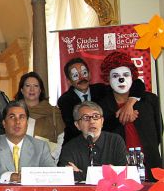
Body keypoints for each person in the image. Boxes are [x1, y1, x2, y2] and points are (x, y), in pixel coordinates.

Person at [98, 52, 162, 181]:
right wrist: (122, 117)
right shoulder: (101, 105)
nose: (121, 79)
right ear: (108, 78)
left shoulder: (150, 100)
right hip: (117, 169)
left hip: (151, 167)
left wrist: (129, 104)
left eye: (126, 75)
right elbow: (101, 134)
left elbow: (159, 131)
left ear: (132, 77)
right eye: (115, 76)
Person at [57, 57, 144, 145]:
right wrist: (122, 116)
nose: (81, 77)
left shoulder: (101, 89)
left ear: (90, 74)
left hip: (103, 145)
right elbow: (76, 128)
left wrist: (129, 105)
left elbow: (137, 83)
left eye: (84, 73)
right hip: (77, 145)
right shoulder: (65, 101)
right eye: (75, 75)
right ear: (69, 81)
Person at [0, 100, 55, 183]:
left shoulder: (41, 147)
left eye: (22, 117)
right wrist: (14, 177)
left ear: (27, 123)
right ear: (4, 123)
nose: (17, 122)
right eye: (12, 117)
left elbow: (52, 173)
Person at [58, 101, 128, 182]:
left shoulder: (115, 141)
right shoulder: (69, 148)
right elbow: (66, 176)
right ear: (77, 125)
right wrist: (105, 173)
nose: (92, 121)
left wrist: (81, 173)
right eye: (86, 118)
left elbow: (123, 173)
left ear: (102, 121)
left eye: (96, 116)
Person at [15, 72, 64, 163]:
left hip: (46, 162)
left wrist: (52, 157)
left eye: (36, 86)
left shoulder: (53, 111)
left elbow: (61, 137)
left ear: (40, 90)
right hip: (17, 162)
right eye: (28, 85)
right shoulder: (14, 112)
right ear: (22, 90)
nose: (32, 89)